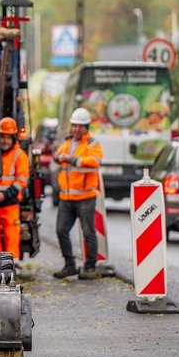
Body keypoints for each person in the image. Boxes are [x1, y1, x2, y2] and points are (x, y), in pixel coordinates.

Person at [53, 108, 104, 280]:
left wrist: (70, 159)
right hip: (66, 198)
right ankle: (70, 265)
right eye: (74, 126)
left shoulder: (93, 145)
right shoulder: (67, 143)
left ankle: (90, 267)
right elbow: (59, 154)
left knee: (88, 232)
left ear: (86, 127)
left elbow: (94, 161)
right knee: (61, 231)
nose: (76, 130)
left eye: (80, 127)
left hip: (85, 198)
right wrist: (56, 156)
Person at [0, 117, 29, 261]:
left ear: (13, 138)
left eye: (8, 137)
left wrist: (5, 195)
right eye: (2, 137)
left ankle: (13, 267)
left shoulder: (19, 155)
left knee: (12, 237)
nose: (5, 141)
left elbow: (22, 180)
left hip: (9, 204)